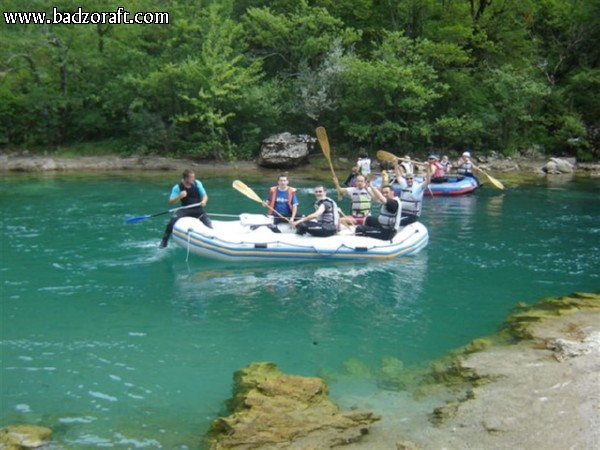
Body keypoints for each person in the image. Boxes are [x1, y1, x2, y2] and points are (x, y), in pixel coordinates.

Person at [159, 169, 212, 248]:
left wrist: (204, 201)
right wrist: (179, 196)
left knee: (209, 224)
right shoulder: (177, 187)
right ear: (186, 178)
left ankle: (210, 242)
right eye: (191, 178)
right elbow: (170, 202)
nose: (193, 179)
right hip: (185, 209)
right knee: (171, 222)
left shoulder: (198, 183)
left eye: (193, 177)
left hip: (198, 209)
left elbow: (205, 196)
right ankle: (164, 242)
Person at [394, 158, 431, 225]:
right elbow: (398, 175)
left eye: (411, 179)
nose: (409, 180)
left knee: (395, 222)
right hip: (402, 212)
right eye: (407, 179)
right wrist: (395, 163)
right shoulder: (404, 184)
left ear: (413, 179)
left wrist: (427, 168)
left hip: (412, 215)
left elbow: (428, 181)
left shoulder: (418, 187)